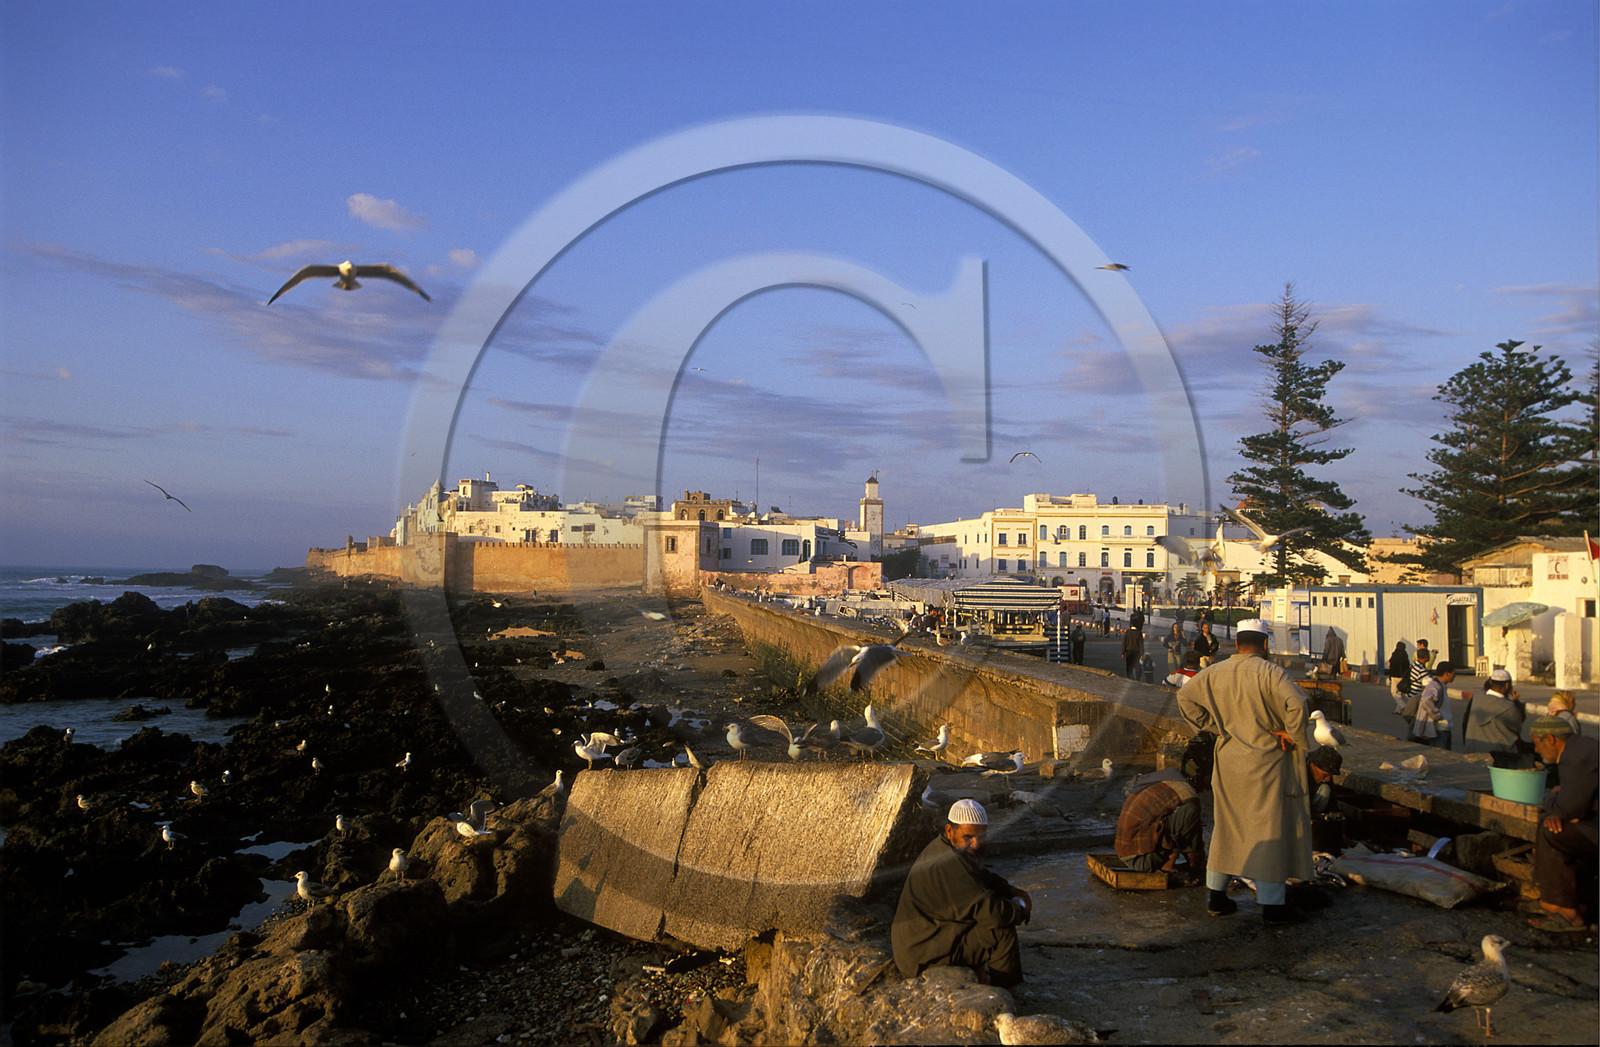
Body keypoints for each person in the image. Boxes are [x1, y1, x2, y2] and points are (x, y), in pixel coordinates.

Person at [1177, 618, 1314, 925]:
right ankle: (1272, 906)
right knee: (1267, 831)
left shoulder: (1215, 672)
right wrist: (1293, 734)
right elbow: (1297, 705)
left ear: (1236, 644)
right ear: (1265, 644)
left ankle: (1216, 897)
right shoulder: (1272, 672)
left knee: (1228, 830)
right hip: (1266, 762)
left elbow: (1184, 697)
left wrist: (1215, 727)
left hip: (1228, 761)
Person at [892, 799, 1032, 986]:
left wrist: (1010, 890)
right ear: (950, 831)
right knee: (1000, 933)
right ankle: (1003, 994)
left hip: (925, 938)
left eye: (980, 837)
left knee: (979, 917)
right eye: (968, 837)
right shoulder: (947, 863)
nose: (975, 844)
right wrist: (1018, 908)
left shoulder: (945, 847)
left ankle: (981, 975)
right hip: (921, 954)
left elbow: (981, 876)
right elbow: (994, 913)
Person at [1527, 716, 1598, 932]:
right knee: (1552, 826)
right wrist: (1559, 803)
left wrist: (1550, 799)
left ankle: (1566, 911)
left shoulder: (1575, 757)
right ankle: (1558, 902)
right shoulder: (1581, 747)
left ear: (1550, 739)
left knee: (1552, 830)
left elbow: (1569, 808)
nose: (1538, 751)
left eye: (1537, 744)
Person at [1115, 769, 1205, 883]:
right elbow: (1190, 828)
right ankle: (1169, 865)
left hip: (1126, 855)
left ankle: (1191, 861)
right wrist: (1196, 862)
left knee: (1184, 818)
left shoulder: (1166, 781)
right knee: (1190, 813)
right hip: (1144, 860)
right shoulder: (1189, 795)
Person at [1463, 668, 1527, 759]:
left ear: (1491, 682)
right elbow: (1517, 727)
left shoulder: (1477, 697)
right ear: (1507, 685)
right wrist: (1516, 702)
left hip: (1473, 749)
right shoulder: (1509, 708)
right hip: (1498, 755)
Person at [1408, 660, 1457, 748]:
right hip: (1440, 728)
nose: (1455, 676)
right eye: (1453, 673)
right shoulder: (1435, 686)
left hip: (1445, 727)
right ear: (1447, 674)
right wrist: (1436, 715)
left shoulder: (1441, 686)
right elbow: (1427, 700)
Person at [1306, 745, 1342, 815]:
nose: (1328, 779)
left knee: (1325, 789)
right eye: (1324, 775)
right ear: (1313, 765)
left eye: (1330, 776)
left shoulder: (1326, 780)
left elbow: (1333, 805)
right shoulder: (1298, 773)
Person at [1386, 642, 1412, 710]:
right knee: (1400, 692)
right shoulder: (1405, 654)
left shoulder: (1395, 654)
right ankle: (1398, 709)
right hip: (1403, 676)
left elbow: (1390, 664)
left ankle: (1403, 706)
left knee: (1394, 693)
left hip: (1394, 676)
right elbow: (1407, 665)